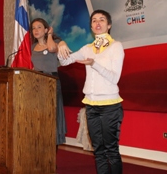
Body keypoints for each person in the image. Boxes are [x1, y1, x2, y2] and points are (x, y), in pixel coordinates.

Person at [58, 10, 125, 174]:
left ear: (108, 25)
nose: (97, 23)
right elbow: (65, 60)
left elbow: (114, 78)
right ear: (91, 26)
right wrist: (61, 44)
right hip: (91, 107)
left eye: (102, 20)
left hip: (110, 106)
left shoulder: (116, 46)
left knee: (111, 150)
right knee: (98, 150)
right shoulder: (88, 48)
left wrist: (94, 63)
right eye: (94, 20)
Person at [30, 18, 69, 148]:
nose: (36, 30)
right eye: (34, 28)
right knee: (39, 117)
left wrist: (51, 35)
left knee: (52, 116)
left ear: (46, 29)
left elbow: (52, 48)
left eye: (39, 27)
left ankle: (51, 153)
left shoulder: (55, 42)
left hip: (51, 82)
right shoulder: (32, 46)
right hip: (36, 84)